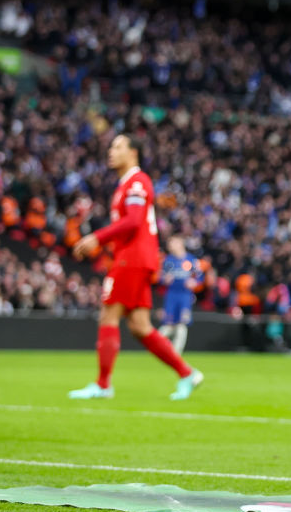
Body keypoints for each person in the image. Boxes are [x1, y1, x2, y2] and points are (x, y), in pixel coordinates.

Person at [68, 134, 204, 400]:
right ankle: (187, 373)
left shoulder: (137, 182)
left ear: (133, 153)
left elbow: (132, 222)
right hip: (137, 258)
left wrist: (97, 237)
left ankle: (103, 385)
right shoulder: (126, 185)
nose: (110, 151)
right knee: (140, 327)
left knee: (108, 316)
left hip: (133, 259)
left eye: (117, 146)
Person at [158, 235, 202, 354]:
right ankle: (157, 345)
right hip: (171, 295)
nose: (169, 246)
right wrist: (164, 279)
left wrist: (194, 282)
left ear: (180, 243)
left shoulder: (191, 260)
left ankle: (176, 352)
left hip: (185, 296)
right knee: (169, 323)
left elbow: (199, 276)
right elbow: (160, 277)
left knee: (182, 323)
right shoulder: (168, 260)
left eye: (172, 243)